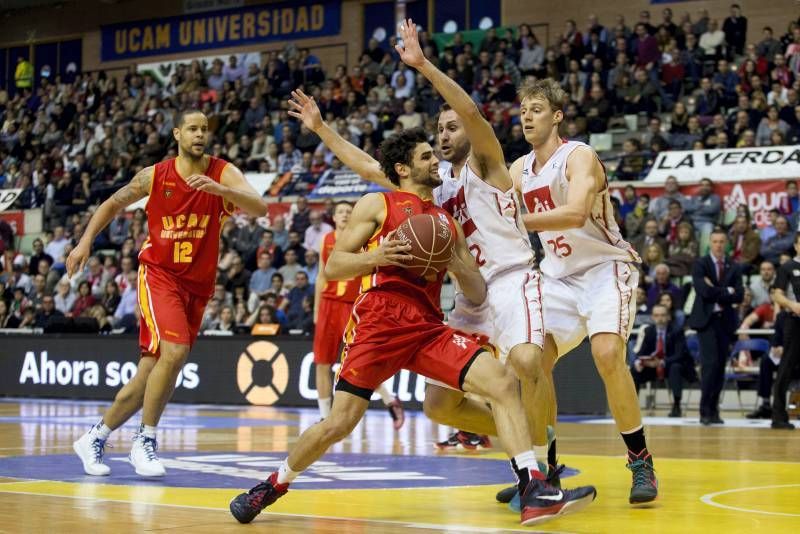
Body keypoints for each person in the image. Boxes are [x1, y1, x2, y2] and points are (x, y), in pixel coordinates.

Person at [231, 127, 596, 526]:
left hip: (426, 325)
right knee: (339, 423)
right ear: (403, 168)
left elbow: (474, 292)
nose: (434, 161)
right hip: (380, 320)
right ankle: (273, 484)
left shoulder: (446, 221)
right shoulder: (378, 203)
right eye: (425, 157)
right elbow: (335, 265)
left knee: (502, 383)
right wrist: (378, 256)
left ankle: (532, 488)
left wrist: (459, 265)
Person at [287, 19, 548, 471]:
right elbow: (373, 168)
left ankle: (543, 463)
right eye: (438, 131)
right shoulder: (435, 187)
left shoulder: (486, 164)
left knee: (523, 363)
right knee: (440, 409)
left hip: (507, 282)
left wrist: (423, 64)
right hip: (468, 296)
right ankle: (532, 443)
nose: (444, 135)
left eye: (450, 127)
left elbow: (472, 114)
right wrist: (321, 129)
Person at [70, 110, 267, 478]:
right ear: (177, 133)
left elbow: (261, 207)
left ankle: (95, 437)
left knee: (152, 370)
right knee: (174, 352)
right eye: (192, 128)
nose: (199, 134)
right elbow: (112, 203)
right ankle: (144, 441)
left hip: (198, 285)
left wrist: (225, 192)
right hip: (159, 275)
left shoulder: (222, 172)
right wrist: (85, 243)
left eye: (204, 129)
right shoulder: (155, 175)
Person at [511, 78, 657, 504]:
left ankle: (640, 460)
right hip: (557, 276)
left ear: (557, 116)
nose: (527, 116)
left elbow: (575, 213)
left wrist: (516, 222)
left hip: (604, 268)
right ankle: (544, 472)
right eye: (523, 110)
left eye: (536, 109)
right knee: (531, 361)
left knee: (608, 354)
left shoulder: (579, 156)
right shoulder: (519, 169)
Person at [312, 200, 404, 428]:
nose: (344, 215)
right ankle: (324, 416)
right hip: (328, 304)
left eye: (348, 212)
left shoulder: (363, 237)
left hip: (353, 305)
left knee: (359, 361)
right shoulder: (326, 239)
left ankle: (389, 398)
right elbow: (321, 277)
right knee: (322, 363)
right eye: (340, 212)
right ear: (333, 217)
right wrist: (316, 310)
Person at [687, 229, 744, 425]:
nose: (719, 245)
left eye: (722, 241)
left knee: (720, 366)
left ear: (726, 244)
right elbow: (703, 291)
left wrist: (716, 290)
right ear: (710, 243)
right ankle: (704, 411)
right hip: (707, 321)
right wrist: (726, 291)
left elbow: (740, 295)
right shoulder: (700, 264)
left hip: (726, 322)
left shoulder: (734, 266)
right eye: (715, 241)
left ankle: (714, 411)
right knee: (710, 365)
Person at [630, 304, 698, 417]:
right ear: (652, 317)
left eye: (662, 315)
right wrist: (640, 362)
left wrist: (661, 362)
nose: (659, 318)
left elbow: (679, 354)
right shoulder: (649, 331)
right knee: (634, 370)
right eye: (656, 315)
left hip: (671, 365)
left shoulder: (677, 331)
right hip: (653, 367)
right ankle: (632, 407)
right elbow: (642, 352)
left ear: (668, 317)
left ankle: (676, 406)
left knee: (675, 368)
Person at [769, 233, 800, 430]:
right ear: (796, 245)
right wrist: (793, 305)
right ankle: (778, 415)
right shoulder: (788, 267)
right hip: (795, 321)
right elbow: (777, 295)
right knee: (787, 366)